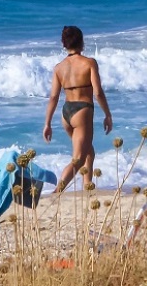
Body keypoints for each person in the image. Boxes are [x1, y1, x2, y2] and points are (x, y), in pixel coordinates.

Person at [43, 25, 113, 192]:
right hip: (82, 111)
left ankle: (87, 187)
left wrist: (47, 123)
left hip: (66, 112)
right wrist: (107, 114)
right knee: (79, 159)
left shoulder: (59, 68)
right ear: (82, 42)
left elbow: (53, 97)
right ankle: (57, 192)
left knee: (89, 152)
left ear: (64, 44)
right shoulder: (89, 63)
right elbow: (98, 92)